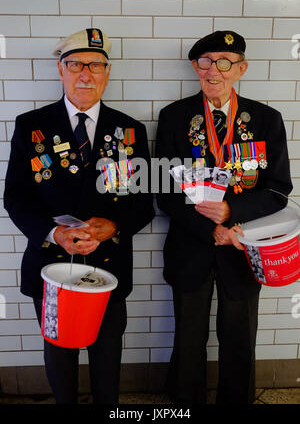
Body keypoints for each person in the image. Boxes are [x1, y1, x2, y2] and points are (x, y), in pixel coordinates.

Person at [4, 28, 155, 404]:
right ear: (61, 71)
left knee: (107, 355)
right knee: (59, 355)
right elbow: (16, 199)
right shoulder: (31, 126)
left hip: (110, 262)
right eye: (75, 64)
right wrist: (54, 234)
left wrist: (115, 227)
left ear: (107, 73)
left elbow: (143, 203)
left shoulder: (131, 131)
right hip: (51, 264)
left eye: (96, 65)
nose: (85, 74)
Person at [155, 30, 292, 404]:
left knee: (240, 340)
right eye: (205, 61)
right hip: (191, 247)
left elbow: (279, 190)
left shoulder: (266, 119)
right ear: (195, 67)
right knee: (187, 339)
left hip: (244, 248)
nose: (213, 70)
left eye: (224, 63)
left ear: (241, 68)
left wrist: (232, 215)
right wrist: (210, 228)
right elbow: (164, 193)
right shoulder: (173, 117)